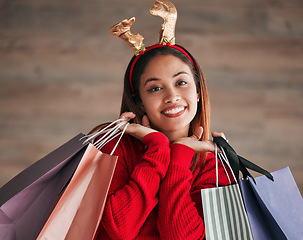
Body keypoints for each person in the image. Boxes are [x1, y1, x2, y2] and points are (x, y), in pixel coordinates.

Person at [93, 1, 233, 239]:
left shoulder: (214, 166)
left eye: (181, 82)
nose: (172, 96)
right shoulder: (115, 148)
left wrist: (180, 156)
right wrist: (157, 149)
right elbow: (120, 230)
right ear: (139, 102)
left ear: (198, 92)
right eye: (155, 88)